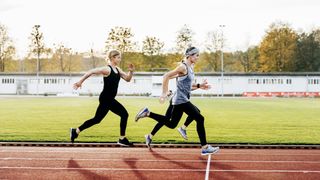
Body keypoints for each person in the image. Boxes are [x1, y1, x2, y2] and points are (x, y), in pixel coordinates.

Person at [135, 46, 219, 155]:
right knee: (199, 118)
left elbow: (187, 87)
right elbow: (166, 76)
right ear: (190, 56)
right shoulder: (183, 67)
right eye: (196, 55)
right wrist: (164, 93)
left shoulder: (190, 68)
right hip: (181, 100)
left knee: (171, 124)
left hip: (181, 100)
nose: (198, 57)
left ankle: (148, 113)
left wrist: (200, 86)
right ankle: (205, 147)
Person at [70, 49, 134, 146]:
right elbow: (90, 72)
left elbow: (128, 79)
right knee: (121, 115)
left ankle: (76, 131)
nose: (120, 59)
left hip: (110, 99)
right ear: (112, 58)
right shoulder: (107, 69)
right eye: (118, 57)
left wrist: (131, 72)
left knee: (98, 119)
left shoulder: (117, 70)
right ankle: (122, 139)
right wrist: (80, 82)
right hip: (105, 98)